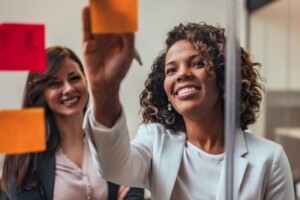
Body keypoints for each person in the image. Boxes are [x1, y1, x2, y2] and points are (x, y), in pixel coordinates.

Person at [81, 6, 295, 200]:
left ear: (223, 76)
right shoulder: (155, 141)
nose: (182, 74)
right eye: (171, 70)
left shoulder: (269, 158)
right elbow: (113, 167)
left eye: (197, 63)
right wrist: (104, 90)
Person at [1, 46, 144, 200]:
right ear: (41, 93)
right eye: (55, 84)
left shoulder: (106, 135)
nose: (68, 89)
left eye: (74, 78)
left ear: (86, 81)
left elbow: (134, 188)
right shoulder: (24, 155)